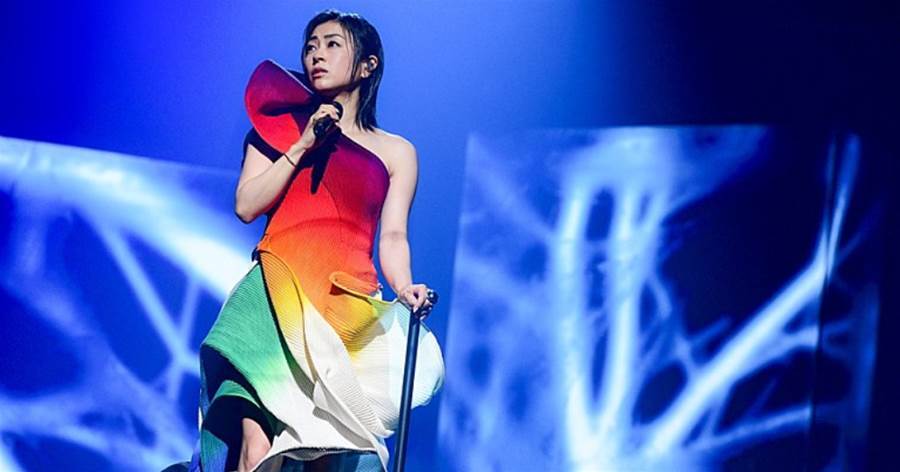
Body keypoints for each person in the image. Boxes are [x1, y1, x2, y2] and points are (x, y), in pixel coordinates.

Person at [187, 9, 444, 472]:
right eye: (310, 47)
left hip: (342, 310)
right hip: (274, 295)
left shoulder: (397, 152)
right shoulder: (277, 127)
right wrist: (303, 143)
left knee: (322, 455)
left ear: (367, 65)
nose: (315, 56)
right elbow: (246, 205)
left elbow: (392, 235)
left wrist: (405, 287)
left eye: (331, 44)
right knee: (256, 448)